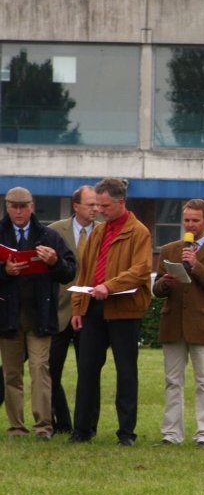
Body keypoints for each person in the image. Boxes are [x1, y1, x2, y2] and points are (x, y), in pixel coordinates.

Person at [69, 177, 153, 446]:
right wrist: (78, 308)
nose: (100, 210)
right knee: (87, 369)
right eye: (97, 205)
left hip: (125, 311)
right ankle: (82, 429)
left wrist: (110, 285)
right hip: (94, 308)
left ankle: (126, 433)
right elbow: (85, 271)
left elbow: (140, 271)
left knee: (126, 372)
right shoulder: (98, 232)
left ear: (121, 202)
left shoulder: (139, 232)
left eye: (105, 206)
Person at [0, 186, 77, 439]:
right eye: (14, 206)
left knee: (40, 369)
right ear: (7, 207)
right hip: (8, 317)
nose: (19, 211)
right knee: (11, 373)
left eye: (23, 206)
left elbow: (69, 273)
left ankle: (44, 426)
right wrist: (5, 272)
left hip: (40, 317)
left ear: (32, 207)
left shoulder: (49, 236)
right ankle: (16, 427)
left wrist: (54, 261)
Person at [153, 199, 204, 448]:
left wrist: (196, 267)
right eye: (187, 220)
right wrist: (165, 282)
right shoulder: (168, 250)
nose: (190, 224)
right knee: (173, 381)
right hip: (173, 323)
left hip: (202, 325)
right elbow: (156, 289)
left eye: (195, 220)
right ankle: (172, 433)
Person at [46, 185, 100, 435]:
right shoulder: (55, 231)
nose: (95, 209)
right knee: (51, 370)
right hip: (59, 311)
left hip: (90, 312)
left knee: (89, 372)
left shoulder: (103, 232)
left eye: (97, 205)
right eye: (90, 204)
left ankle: (88, 425)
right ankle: (61, 422)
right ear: (76, 206)